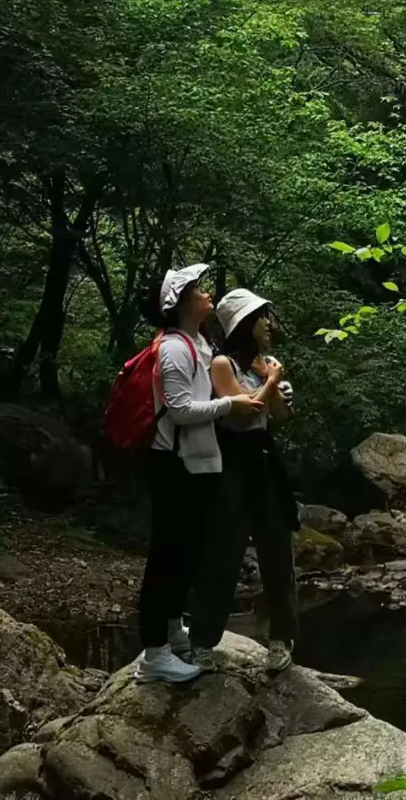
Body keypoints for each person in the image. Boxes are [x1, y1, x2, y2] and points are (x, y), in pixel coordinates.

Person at [135, 262, 260, 684]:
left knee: (186, 553)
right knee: (166, 558)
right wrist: (230, 406)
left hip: (197, 462)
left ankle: (172, 632)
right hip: (173, 463)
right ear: (183, 303)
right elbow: (181, 410)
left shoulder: (199, 342)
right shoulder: (172, 347)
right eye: (199, 289)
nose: (207, 293)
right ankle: (154, 655)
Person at [189, 288, 300, 674]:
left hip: (266, 460)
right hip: (232, 463)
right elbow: (241, 413)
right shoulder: (222, 363)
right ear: (246, 323)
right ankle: (202, 642)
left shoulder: (267, 362)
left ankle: (281, 639)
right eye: (262, 316)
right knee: (223, 549)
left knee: (276, 547)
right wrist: (271, 382)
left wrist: (277, 388)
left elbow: (280, 418)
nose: (268, 324)